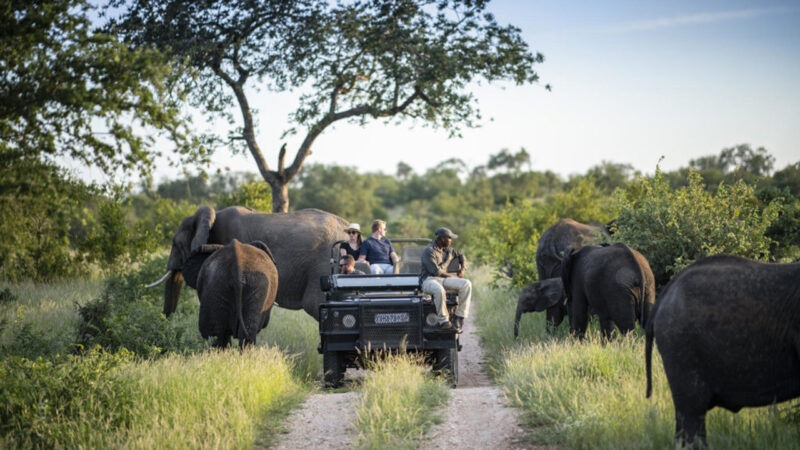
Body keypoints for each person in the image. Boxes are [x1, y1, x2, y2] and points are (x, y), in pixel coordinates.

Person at [420, 227, 471, 332]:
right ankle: (444, 321)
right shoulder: (428, 251)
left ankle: (459, 317)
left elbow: (461, 255)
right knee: (439, 290)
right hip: (429, 280)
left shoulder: (448, 250)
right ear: (442, 239)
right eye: (449, 238)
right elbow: (436, 272)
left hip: (443, 280)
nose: (451, 241)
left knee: (466, 284)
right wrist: (455, 277)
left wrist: (463, 268)